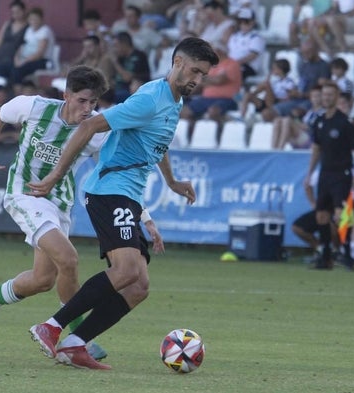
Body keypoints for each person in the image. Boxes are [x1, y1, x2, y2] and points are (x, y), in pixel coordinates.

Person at [27, 37, 219, 370]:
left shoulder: (173, 102)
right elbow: (89, 125)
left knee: (139, 286)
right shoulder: (150, 99)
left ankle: (74, 344)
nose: (197, 80)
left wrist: (171, 183)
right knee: (127, 270)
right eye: (195, 71)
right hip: (108, 191)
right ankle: (51, 326)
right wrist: (56, 176)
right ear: (177, 62)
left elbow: (158, 144)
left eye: (202, 75)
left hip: (127, 195)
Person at [0, 66, 162, 362]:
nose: (88, 109)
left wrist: (145, 217)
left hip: (59, 204)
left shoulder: (96, 134)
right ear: (66, 96)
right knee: (69, 258)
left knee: (42, 279)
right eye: (82, 101)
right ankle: (72, 336)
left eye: (93, 103)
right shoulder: (33, 107)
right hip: (24, 194)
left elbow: (116, 176)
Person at [304, 81, 354, 270]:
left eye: (330, 95)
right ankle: (326, 257)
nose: (327, 98)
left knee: (342, 216)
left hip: (342, 173)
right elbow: (316, 148)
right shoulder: (319, 120)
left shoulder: (345, 122)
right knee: (321, 216)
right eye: (324, 94)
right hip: (325, 174)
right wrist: (310, 173)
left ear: (337, 97)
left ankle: (347, 255)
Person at [180, 41, 240, 128]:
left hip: (227, 99)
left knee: (213, 111)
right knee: (183, 111)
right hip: (206, 99)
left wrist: (204, 80)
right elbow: (201, 83)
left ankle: (219, 135)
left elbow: (220, 80)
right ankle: (193, 136)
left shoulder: (232, 64)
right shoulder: (211, 65)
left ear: (219, 51)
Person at [292, 168, 340, 263]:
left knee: (334, 229)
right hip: (323, 209)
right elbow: (307, 184)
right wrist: (313, 203)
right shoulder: (322, 172)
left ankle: (338, 252)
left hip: (339, 210)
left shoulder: (345, 172)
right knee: (297, 228)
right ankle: (321, 250)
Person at [9, 7, 55, 90]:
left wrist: (23, 62)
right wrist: (16, 59)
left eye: (36, 19)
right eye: (31, 19)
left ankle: (19, 96)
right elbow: (22, 47)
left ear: (41, 19)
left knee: (18, 70)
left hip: (43, 61)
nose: (33, 21)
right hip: (27, 59)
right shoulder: (29, 30)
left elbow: (39, 54)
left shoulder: (45, 31)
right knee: (11, 68)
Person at [271, 84, 323, 150]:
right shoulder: (310, 111)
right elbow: (303, 124)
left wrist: (303, 126)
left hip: (311, 141)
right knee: (277, 120)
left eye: (317, 96)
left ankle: (280, 149)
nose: (315, 98)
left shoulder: (323, 112)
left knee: (287, 120)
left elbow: (316, 129)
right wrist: (298, 123)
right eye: (313, 96)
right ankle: (273, 149)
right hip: (301, 137)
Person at [108, 31, 151, 104]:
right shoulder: (121, 57)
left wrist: (115, 62)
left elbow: (127, 78)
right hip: (117, 89)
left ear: (124, 44)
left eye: (116, 45)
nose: (115, 49)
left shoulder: (139, 56)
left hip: (130, 90)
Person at [227, 7, 265, 81]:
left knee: (230, 74)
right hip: (232, 65)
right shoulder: (234, 36)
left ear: (253, 22)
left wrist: (235, 64)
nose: (243, 24)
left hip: (248, 67)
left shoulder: (256, 37)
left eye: (246, 21)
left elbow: (252, 56)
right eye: (240, 22)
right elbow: (228, 51)